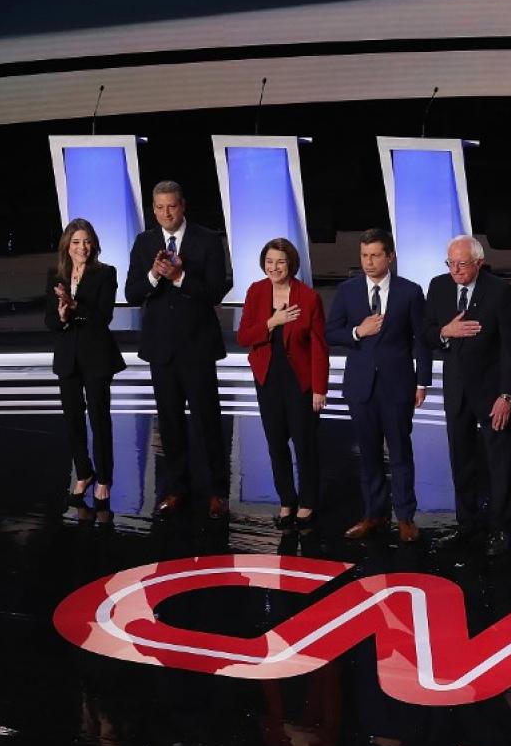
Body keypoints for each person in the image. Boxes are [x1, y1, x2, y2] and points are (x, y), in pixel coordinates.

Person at [125, 180, 232, 518]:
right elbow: (132, 293)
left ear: (183, 205)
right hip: (161, 350)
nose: (166, 213)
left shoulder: (208, 239)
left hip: (198, 348)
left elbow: (215, 291)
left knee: (207, 422)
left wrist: (179, 276)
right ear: (153, 210)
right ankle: (175, 489)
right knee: (169, 424)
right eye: (159, 208)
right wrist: (154, 276)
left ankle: (217, 492)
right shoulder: (145, 242)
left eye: (171, 206)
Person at [326, 228, 432, 542]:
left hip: (397, 386)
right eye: (364, 256)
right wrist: (358, 331)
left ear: (390, 257)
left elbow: (422, 341)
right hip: (361, 387)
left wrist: (422, 381)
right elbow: (331, 332)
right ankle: (374, 514)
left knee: (400, 453)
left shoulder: (410, 291)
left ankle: (405, 518)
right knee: (369, 453)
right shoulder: (347, 290)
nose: (368, 262)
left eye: (374, 255)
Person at [422, 235, 511, 556]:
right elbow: (425, 332)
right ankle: (467, 525)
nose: (455, 270)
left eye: (462, 264)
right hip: (456, 390)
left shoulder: (500, 292)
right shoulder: (438, 286)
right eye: (450, 263)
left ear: (479, 263)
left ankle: (500, 529)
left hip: (492, 392)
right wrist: (444, 332)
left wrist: (506, 395)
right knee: (461, 459)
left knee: (499, 462)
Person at [236, 238, 329, 531]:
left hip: (300, 381)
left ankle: (307, 502)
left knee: (304, 444)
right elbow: (243, 337)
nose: (274, 267)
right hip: (267, 379)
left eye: (280, 262)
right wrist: (271, 322)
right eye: (269, 261)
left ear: (291, 264)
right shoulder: (256, 291)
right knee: (276, 443)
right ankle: (287, 500)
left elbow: (319, 348)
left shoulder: (309, 298)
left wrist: (319, 389)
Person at [45, 218, 126, 518]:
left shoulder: (106, 273)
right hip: (67, 358)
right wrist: (61, 315)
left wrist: (75, 307)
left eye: (87, 242)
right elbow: (49, 321)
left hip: (96, 357)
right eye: (77, 242)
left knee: (99, 418)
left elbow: (103, 317)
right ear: (67, 245)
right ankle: (84, 473)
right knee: (73, 419)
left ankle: (104, 478)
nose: (82, 247)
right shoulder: (56, 275)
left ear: (94, 245)